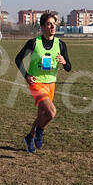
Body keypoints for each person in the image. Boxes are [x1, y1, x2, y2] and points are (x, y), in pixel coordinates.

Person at [15, 13, 72, 153]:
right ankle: (40, 130)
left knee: (42, 115)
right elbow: (18, 59)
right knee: (51, 112)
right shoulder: (34, 43)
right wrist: (26, 75)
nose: (52, 26)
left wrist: (64, 62)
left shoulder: (61, 45)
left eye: (54, 23)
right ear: (42, 27)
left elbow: (69, 67)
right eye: (49, 24)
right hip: (36, 83)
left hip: (51, 84)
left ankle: (30, 137)